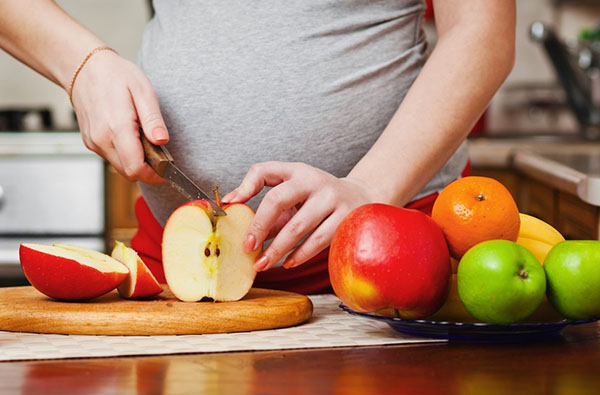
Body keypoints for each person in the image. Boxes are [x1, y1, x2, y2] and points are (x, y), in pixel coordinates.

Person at [0, 1, 516, 294]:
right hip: (178, 264)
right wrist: (80, 64)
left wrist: (369, 187)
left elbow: (483, 29)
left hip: (397, 254)